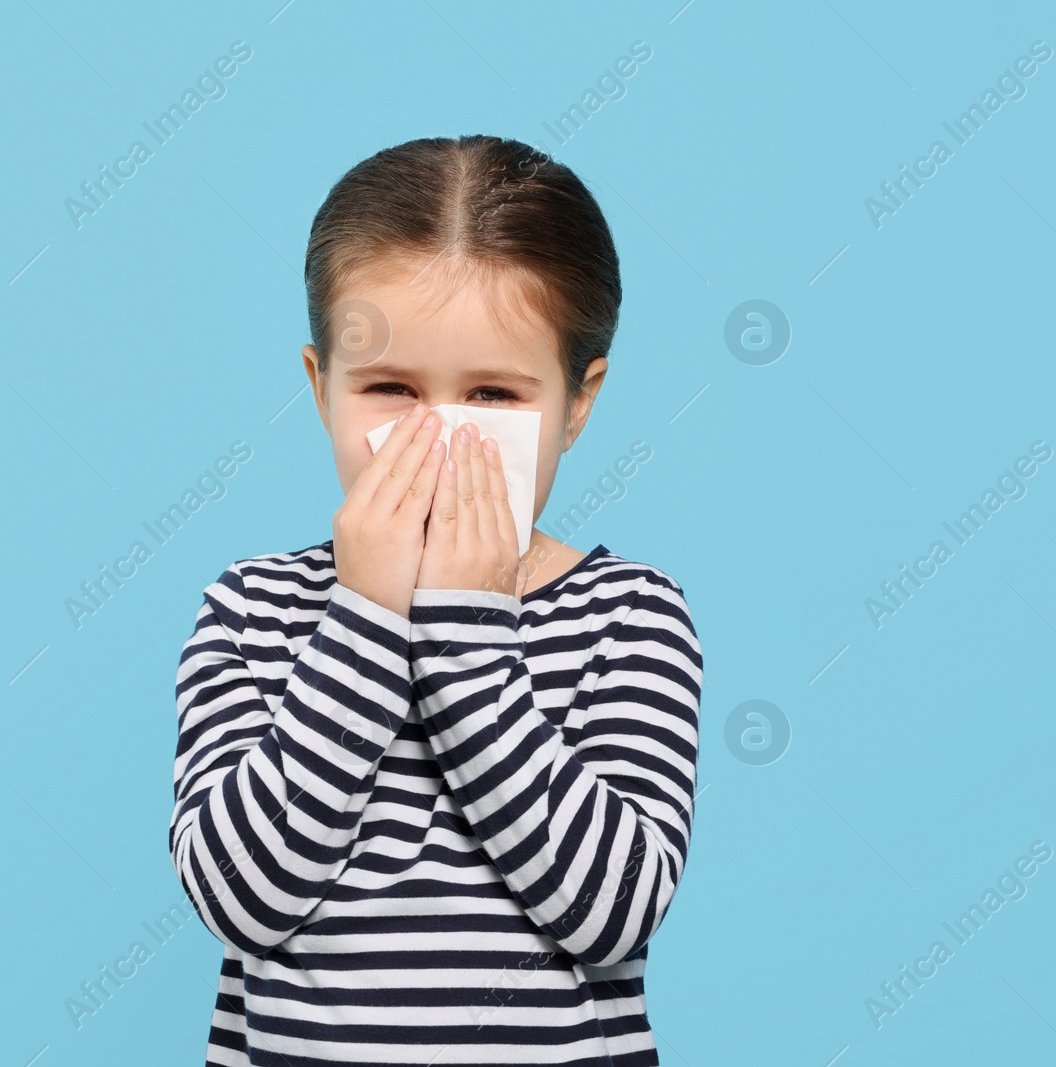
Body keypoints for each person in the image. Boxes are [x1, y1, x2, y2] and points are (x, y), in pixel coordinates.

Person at [169, 134, 703, 1066]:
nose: (441, 440)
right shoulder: (250, 612)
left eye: (494, 394)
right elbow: (243, 896)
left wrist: (464, 636)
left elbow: (613, 912)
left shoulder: (631, 616)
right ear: (321, 386)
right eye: (389, 388)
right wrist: (365, 617)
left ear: (577, 405)